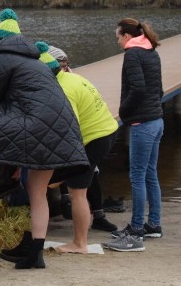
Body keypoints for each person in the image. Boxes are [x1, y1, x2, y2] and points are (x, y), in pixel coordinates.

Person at [0, 9, 88, 269]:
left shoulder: (1, 58)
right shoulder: (34, 60)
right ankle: (35, 251)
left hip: (38, 128)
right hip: (61, 130)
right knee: (37, 193)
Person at [36, 42, 119, 253]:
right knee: (64, 180)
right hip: (106, 130)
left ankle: (79, 243)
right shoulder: (71, 77)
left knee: (77, 193)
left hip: (94, 139)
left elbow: (69, 127)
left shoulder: (63, 89)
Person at [105, 18, 164, 251]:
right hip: (157, 120)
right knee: (150, 174)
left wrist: (124, 110)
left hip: (143, 123)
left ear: (127, 36)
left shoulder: (132, 54)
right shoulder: (151, 51)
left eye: (118, 36)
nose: (117, 41)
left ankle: (137, 229)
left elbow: (137, 89)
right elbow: (157, 88)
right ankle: (154, 225)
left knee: (137, 176)